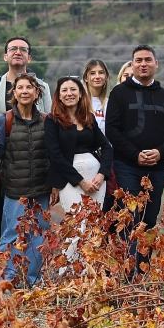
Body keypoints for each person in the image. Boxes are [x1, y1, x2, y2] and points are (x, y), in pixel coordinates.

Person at [0, 37, 51, 251]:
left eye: (23, 49)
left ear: (29, 57)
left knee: (33, 223)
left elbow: (48, 121)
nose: (17, 52)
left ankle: (28, 263)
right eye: (13, 49)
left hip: (30, 165)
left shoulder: (43, 87)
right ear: (5, 56)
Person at [105, 44, 164, 261]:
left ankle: (143, 270)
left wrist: (160, 152)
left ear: (156, 64)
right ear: (132, 64)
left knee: (149, 219)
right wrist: (135, 154)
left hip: (157, 168)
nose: (143, 64)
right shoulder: (119, 93)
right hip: (126, 166)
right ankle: (130, 270)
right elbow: (112, 130)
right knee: (130, 216)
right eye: (139, 60)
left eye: (148, 60)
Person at [0, 74, 53, 285]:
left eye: (29, 87)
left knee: (38, 236)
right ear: (14, 93)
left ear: (36, 92)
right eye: (20, 88)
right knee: (10, 235)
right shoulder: (4, 120)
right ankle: (5, 280)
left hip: (41, 189)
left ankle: (32, 280)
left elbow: (52, 156)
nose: (25, 91)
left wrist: (55, 185)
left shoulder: (46, 121)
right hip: (15, 189)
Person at [45, 75, 111, 270]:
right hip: (70, 180)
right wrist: (81, 181)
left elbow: (107, 147)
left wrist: (102, 174)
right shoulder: (52, 120)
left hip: (96, 180)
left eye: (73, 89)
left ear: (81, 93)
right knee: (75, 225)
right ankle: (69, 272)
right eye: (64, 90)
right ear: (58, 95)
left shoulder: (88, 117)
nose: (69, 94)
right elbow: (55, 155)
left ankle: (90, 274)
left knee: (93, 226)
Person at [82, 59, 111, 128]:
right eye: (92, 73)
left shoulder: (110, 103)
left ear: (106, 77)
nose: (97, 76)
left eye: (101, 73)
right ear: (85, 78)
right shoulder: (79, 103)